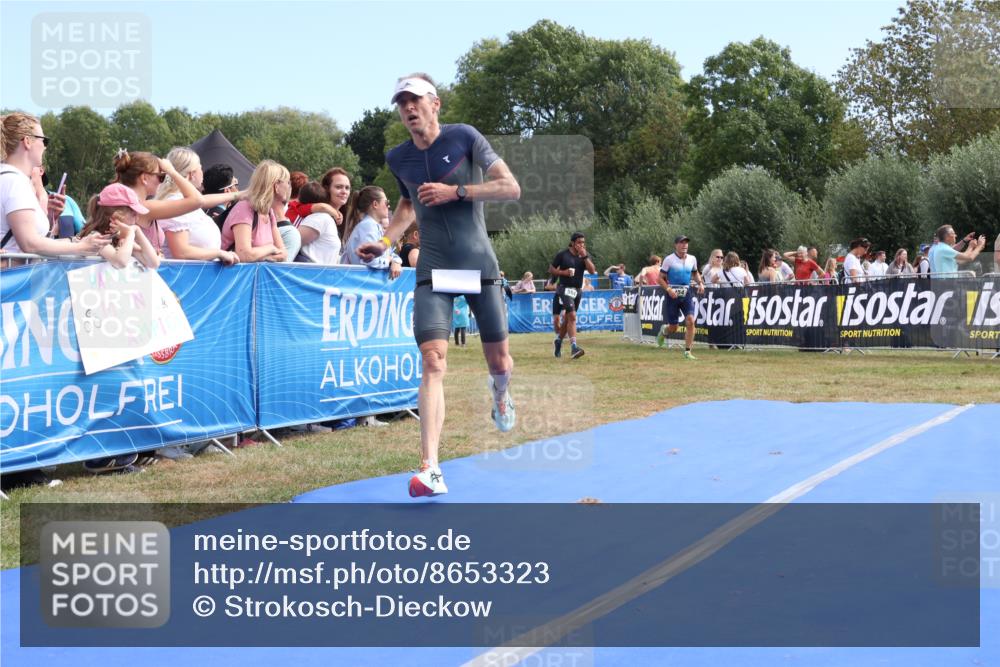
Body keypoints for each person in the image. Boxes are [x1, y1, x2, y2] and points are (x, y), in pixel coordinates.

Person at [356, 73, 521, 497]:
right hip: (434, 267)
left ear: (435, 104)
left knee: (500, 362)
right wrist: (387, 242)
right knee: (432, 361)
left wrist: (457, 192)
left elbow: (510, 187)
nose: (408, 108)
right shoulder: (399, 158)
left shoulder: (464, 137)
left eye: (415, 100)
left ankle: (501, 394)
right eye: (401, 103)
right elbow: (408, 204)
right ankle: (430, 468)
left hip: (477, 263)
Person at [1, 111, 110, 259]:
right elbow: (29, 243)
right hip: (14, 278)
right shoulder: (15, 181)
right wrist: (82, 246)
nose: (45, 147)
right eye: (44, 141)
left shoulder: (10, 178)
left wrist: (54, 220)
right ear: (27, 141)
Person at [156, 147, 240, 264]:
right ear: (192, 174)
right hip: (184, 278)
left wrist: (239, 195)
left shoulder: (184, 202)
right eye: (200, 167)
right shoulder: (175, 203)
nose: (203, 172)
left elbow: (204, 200)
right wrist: (219, 253)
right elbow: (181, 253)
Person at [220, 160, 289, 263]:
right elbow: (244, 255)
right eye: (287, 182)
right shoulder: (244, 208)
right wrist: (270, 249)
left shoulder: (269, 212)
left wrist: (262, 256)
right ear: (276, 186)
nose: (289, 187)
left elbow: (283, 254)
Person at [80, 183, 161, 270]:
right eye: (133, 214)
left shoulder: (121, 239)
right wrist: (130, 234)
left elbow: (153, 263)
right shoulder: (96, 238)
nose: (137, 219)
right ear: (116, 216)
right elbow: (120, 262)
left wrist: (137, 231)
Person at [548, 231, 597, 359]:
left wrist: (585, 256)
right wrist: (563, 273)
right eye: (579, 242)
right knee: (573, 316)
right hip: (564, 288)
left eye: (583, 243)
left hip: (577, 290)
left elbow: (592, 271)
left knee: (569, 319)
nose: (582, 245)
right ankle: (574, 347)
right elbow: (551, 269)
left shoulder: (584, 255)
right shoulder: (562, 254)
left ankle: (558, 340)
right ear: (572, 243)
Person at [655, 234, 704, 359]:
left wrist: (700, 283)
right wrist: (669, 289)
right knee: (674, 327)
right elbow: (660, 279)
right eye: (681, 243)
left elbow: (695, 273)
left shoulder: (692, 259)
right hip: (672, 295)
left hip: (686, 293)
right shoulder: (669, 259)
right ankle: (664, 330)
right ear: (676, 245)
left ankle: (688, 352)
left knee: (691, 321)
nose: (684, 245)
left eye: (686, 243)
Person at [341, 185, 401, 278]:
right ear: (375, 204)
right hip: (361, 284)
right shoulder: (368, 226)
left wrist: (396, 261)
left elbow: (390, 254)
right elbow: (369, 260)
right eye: (386, 202)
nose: (388, 206)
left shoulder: (372, 225)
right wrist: (389, 261)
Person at [296, 181, 342, 264]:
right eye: (338, 187)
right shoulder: (322, 218)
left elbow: (293, 242)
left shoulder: (319, 218)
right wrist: (336, 214)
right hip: (316, 272)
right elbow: (293, 242)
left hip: (315, 271)